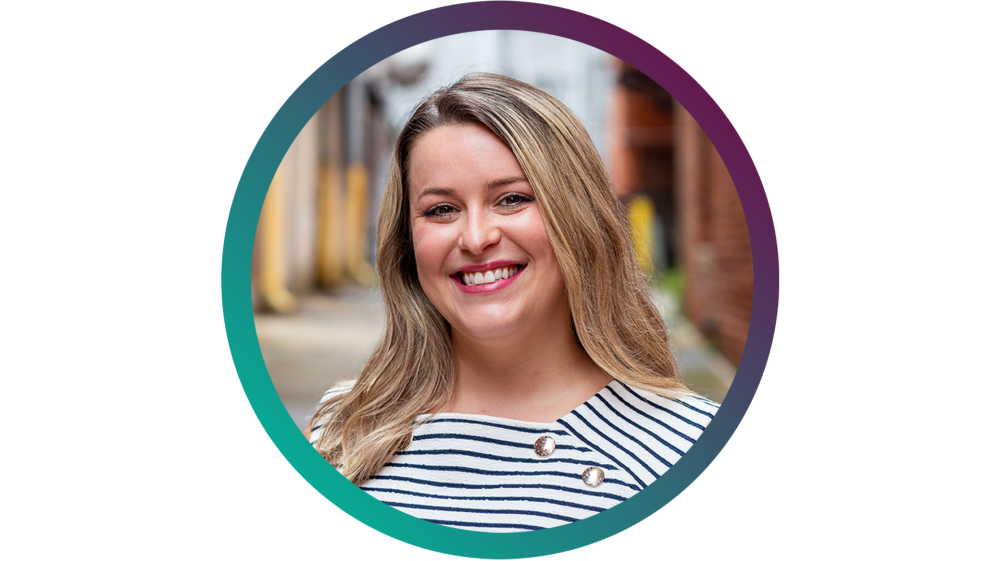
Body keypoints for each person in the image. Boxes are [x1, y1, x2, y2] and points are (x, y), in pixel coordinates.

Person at [309, 73, 719, 532]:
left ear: (579, 217)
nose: (476, 238)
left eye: (511, 199)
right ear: (407, 241)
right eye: (441, 209)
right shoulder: (342, 429)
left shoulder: (690, 448)